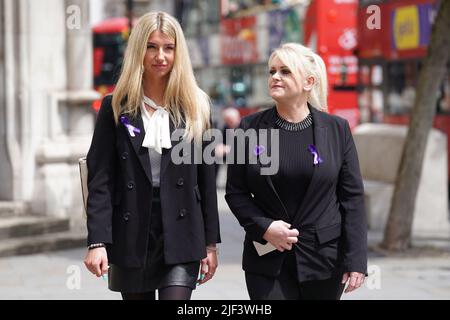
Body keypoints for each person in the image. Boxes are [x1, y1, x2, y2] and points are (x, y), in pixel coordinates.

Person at [84, 11, 220, 300]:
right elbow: (101, 180)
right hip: (131, 231)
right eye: (152, 47)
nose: (161, 56)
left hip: (182, 230)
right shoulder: (115, 106)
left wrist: (210, 244)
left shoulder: (197, 106)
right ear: (138, 51)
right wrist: (97, 241)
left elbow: (207, 182)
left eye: (169, 48)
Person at [225, 43, 367, 300]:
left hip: (324, 259)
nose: (275, 77)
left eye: (285, 71)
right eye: (272, 71)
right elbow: (236, 193)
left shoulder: (337, 129)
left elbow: (352, 198)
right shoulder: (248, 128)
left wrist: (356, 259)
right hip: (266, 257)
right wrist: (264, 227)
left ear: (308, 82)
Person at [214, 107, 241, 177]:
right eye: (227, 121)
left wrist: (230, 148)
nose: (229, 123)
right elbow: (219, 140)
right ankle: (213, 180)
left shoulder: (244, 127)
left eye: (230, 121)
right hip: (226, 154)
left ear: (237, 118)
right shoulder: (225, 127)